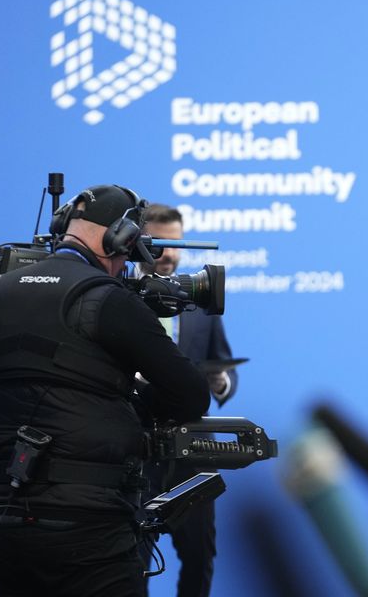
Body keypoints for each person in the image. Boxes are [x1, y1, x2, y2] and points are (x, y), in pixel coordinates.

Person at [0, 185, 210, 597]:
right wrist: (137, 406)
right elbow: (191, 395)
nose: (126, 263)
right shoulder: (109, 300)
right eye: (130, 249)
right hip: (92, 533)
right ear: (119, 238)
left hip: (7, 524)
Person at [137, 204, 238, 597]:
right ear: (140, 243)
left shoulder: (199, 299)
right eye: (161, 243)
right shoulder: (118, 298)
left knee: (199, 555)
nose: (170, 254)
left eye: (176, 244)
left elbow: (225, 364)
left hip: (192, 450)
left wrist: (222, 381)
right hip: (134, 448)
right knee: (133, 558)